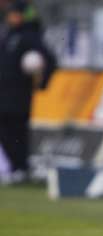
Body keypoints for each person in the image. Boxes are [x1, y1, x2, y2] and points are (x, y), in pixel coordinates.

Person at [0, 0, 56, 184]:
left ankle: (21, 168)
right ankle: (15, 167)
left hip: (18, 94)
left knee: (17, 131)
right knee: (6, 132)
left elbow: (49, 60)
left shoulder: (30, 36)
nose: (10, 17)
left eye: (14, 13)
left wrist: (42, 83)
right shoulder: (7, 34)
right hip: (3, 93)